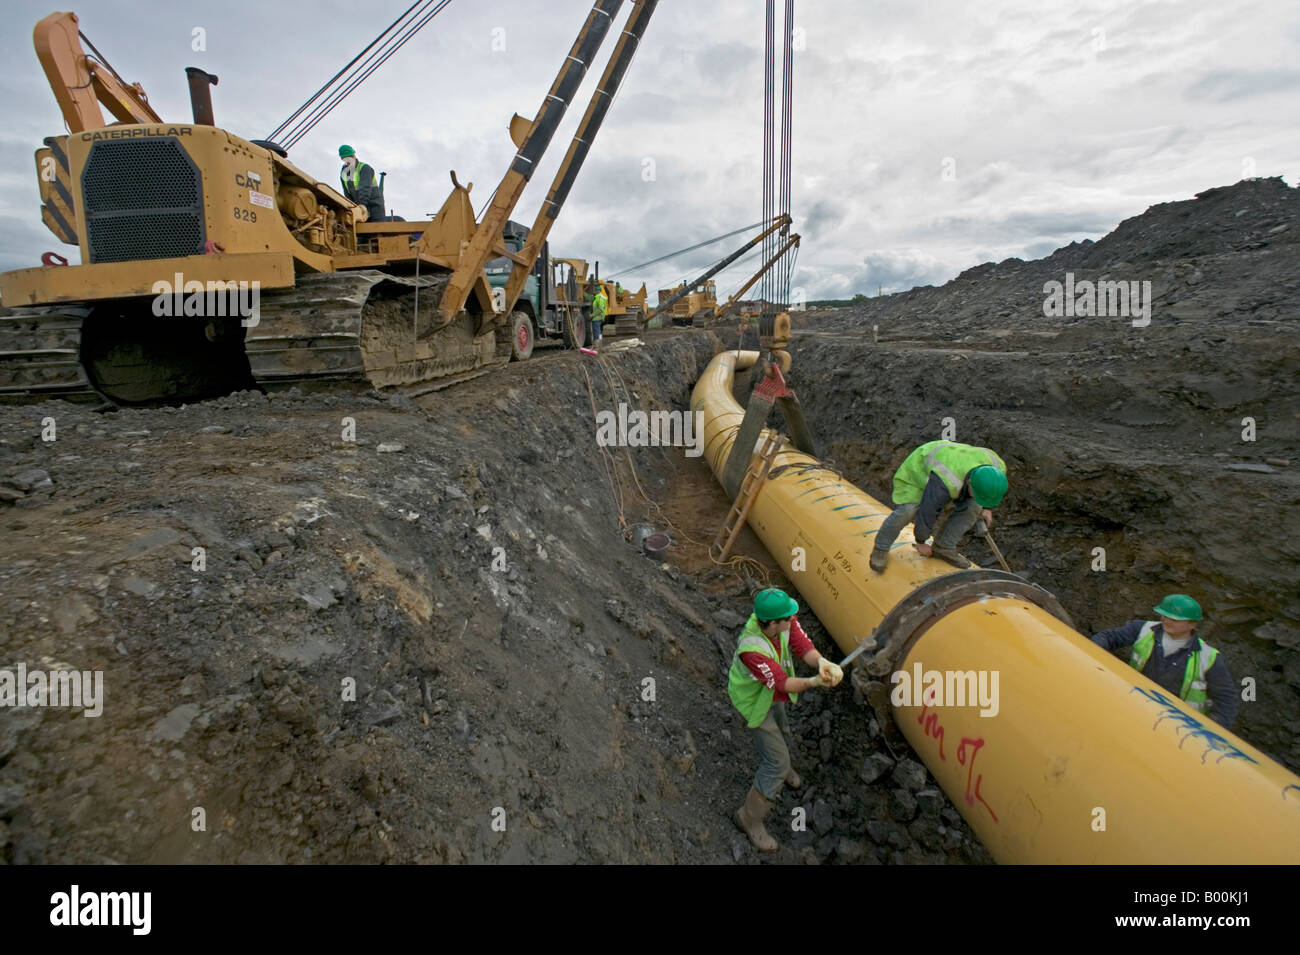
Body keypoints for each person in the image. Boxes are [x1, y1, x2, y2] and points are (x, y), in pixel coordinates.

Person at [728, 588, 843, 852]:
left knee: (783, 729)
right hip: (753, 702)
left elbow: (802, 645)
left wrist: (821, 662)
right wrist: (815, 681)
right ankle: (748, 819)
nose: (793, 620)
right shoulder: (752, 649)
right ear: (772, 623)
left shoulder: (780, 620)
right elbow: (782, 684)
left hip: (768, 694)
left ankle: (784, 765)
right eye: (787, 618)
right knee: (775, 764)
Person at [1090, 594, 1238, 728]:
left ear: (1192, 624)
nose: (1166, 620)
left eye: (1174, 619)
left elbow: (1226, 699)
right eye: (1164, 615)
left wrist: (1212, 731)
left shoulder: (1208, 657)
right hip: (1132, 705)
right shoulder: (1143, 629)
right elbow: (1108, 637)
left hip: (1175, 727)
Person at [870, 440, 1008, 573]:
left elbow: (992, 491)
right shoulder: (945, 480)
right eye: (977, 493)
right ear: (970, 482)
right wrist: (921, 541)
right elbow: (928, 510)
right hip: (919, 471)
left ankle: (944, 547)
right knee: (908, 510)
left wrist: (987, 508)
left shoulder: (997, 469)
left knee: (974, 506)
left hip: (956, 464)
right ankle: (881, 548)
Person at [338, 145, 385, 222]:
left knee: (377, 230)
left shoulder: (364, 168)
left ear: (354, 155)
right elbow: (346, 192)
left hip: (374, 207)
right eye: (345, 158)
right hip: (359, 207)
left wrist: (361, 206)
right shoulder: (344, 172)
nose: (348, 160)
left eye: (350, 157)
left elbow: (365, 189)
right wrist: (351, 206)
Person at [590, 284, 608, 351]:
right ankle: (599, 345)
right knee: (599, 331)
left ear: (598, 290)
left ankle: (596, 347)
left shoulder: (599, 298)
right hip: (600, 317)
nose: (594, 291)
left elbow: (600, 309)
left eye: (595, 290)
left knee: (596, 331)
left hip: (597, 317)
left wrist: (592, 315)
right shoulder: (600, 297)